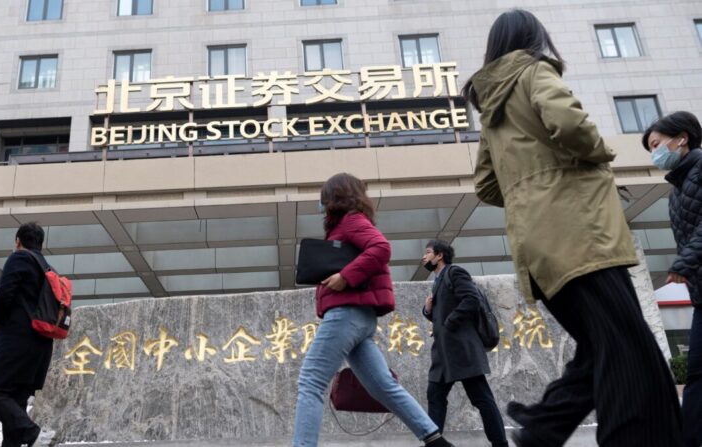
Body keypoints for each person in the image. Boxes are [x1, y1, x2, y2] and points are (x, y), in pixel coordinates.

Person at [463, 8, 683, 446]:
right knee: (628, 351)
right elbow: (570, 125)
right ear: (533, 37)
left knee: (604, 346)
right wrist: (596, 154)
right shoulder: (534, 71)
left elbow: (487, 185)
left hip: (540, 251)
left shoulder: (493, 112)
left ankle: (542, 428)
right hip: (582, 237)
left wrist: (532, 192)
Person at [292, 173, 453, 447]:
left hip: (346, 314)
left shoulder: (351, 220)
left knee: (310, 381)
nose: (320, 204)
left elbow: (381, 247)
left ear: (335, 197)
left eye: (323, 197)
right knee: (383, 386)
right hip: (360, 318)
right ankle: (436, 440)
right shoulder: (349, 222)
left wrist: (345, 276)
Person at [642, 111, 702, 447]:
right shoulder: (675, 193)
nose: (654, 154)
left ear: (681, 138)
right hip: (701, 294)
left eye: (656, 144)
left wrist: (686, 261)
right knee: (696, 371)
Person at [421, 240, 508, 447]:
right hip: (443, 353)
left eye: (427, 253)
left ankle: (500, 443)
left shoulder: (455, 272)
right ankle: (434, 443)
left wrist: (450, 322)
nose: (424, 258)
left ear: (439, 255)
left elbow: (471, 299)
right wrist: (428, 311)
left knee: (481, 398)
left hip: (461, 349)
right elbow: (440, 316)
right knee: (435, 396)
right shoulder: (437, 281)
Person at [0, 222, 56, 447]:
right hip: (41, 344)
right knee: (16, 401)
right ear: (42, 244)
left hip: (17, 340)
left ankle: (33, 434)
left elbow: (4, 293)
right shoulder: (48, 269)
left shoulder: (20, 258)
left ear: (17, 241)